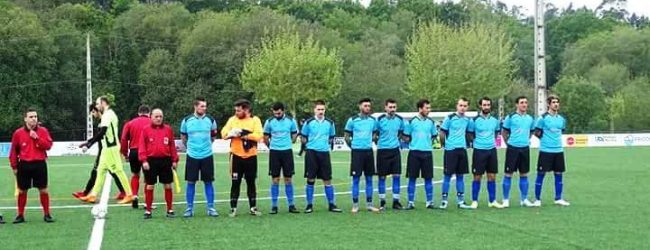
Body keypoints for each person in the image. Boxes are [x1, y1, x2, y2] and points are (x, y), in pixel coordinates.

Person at [80, 96, 134, 205]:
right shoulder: (107, 115)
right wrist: (89, 142)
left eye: (98, 103)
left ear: (103, 103)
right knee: (100, 171)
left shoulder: (108, 115)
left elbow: (102, 132)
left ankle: (129, 194)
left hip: (111, 149)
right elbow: (101, 134)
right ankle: (93, 195)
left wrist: (89, 144)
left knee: (118, 171)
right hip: (106, 149)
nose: (96, 105)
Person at [9, 108, 54, 223]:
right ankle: (20, 215)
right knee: (22, 191)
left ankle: (47, 214)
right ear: (25, 119)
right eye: (31, 117)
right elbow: (13, 151)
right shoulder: (18, 133)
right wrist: (14, 166)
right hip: (24, 165)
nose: (34, 119)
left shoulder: (43, 131)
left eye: (35, 116)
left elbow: (48, 145)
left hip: (39, 164)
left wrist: (37, 138)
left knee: (43, 190)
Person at [221, 99, 264, 217]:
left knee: (251, 182)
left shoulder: (255, 120)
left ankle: (253, 207)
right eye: (235, 110)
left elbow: (259, 135)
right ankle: (233, 208)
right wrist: (232, 133)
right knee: (235, 182)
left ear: (246, 110)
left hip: (251, 156)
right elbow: (223, 133)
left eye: (239, 110)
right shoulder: (232, 120)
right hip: (236, 156)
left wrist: (244, 134)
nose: (236, 113)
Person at [180, 97, 219, 217]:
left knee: (208, 181)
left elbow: (213, 137)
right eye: (202, 106)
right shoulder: (186, 120)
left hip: (207, 155)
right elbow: (183, 138)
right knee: (191, 182)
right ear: (195, 107)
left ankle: (211, 208)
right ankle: (189, 208)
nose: (204, 108)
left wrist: (205, 147)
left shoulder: (211, 120)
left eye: (205, 106)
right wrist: (192, 148)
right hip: (192, 156)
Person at [301, 100, 342, 213]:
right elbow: (303, 137)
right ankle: (309, 205)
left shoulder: (330, 123)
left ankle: (331, 204)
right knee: (310, 179)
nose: (320, 111)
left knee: (327, 179)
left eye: (322, 109)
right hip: (311, 153)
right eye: (318, 109)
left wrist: (324, 145)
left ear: (325, 110)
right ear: (314, 110)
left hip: (324, 153)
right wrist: (309, 146)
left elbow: (331, 137)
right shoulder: (308, 122)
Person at [138, 109, 179, 219]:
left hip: (165, 160)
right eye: (156, 116)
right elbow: (142, 146)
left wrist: (175, 160)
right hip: (151, 161)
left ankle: (170, 209)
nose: (159, 118)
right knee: (150, 186)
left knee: (168, 185)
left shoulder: (168, 129)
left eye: (160, 116)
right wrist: (144, 160)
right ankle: (148, 210)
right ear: (151, 117)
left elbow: (172, 146)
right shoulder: (145, 130)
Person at [533, 96, 571, 207]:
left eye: (557, 102)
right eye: (553, 102)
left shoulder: (561, 119)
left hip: (558, 150)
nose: (556, 104)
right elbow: (536, 132)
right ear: (548, 104)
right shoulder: (542, 118)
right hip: (545, 150)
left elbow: (561, 131)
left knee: (559, 174)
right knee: (541, 174)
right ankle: (537, 199)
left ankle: (558, 198)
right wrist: (545, 140)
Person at [263, 102, 299, 214]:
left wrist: (289, 143)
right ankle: (274, 206)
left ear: (283, 111)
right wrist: (272, 146)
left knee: (288, 179)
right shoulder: (269, 122)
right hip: (274, 152)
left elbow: (294, 135)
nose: (277, 115)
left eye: (278, 113)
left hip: (287, 152)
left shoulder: (291, 121)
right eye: (275, 113)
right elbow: (265, 137)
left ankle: (291, 205)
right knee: (275, 179)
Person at [344, 98, 380, 213]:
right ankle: (355, 205)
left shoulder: (373, 120)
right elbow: (346, 136)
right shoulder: (352, 120)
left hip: (369, 152)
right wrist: (353, 146)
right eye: (365, 106)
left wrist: (373, 139)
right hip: (357, 152)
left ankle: (369, 204)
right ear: (360, 106)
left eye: (369, 106)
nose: (367, 108)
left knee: (369, 178)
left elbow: (375, 133)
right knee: (356, 179)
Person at [467, 97, 503, 209]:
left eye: (488, 105)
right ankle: (474, 201)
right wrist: (477, 143)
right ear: (480, 106)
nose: (486, 107)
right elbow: (470, 134)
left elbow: (497, 133)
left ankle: (492, 201)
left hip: (491, 150)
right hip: (479, 151)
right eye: (484, 105)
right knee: (477, 176)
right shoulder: (474, 120)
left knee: (492, 176)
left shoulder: (495, 121)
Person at [501, 96, 536, 208]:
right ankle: (506, 200)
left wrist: (526, 140)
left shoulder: (530, 118)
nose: (524, 105)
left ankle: (524, 199)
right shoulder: (510, 117)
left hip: (525, 148)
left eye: (526, 102)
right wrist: (509, 144)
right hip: (512, 148)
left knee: (524, 173)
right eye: (522, 103)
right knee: (508, 174)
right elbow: (504, 132)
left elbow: (531, 132)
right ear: (517, 104)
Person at [402, 99, 437, 210]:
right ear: (420, 108)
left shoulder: (431, 122)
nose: (429, 110)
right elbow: (405, 137)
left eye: (429, 108)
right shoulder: (412, 122)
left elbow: (434, 135)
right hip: (414, 153)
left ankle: (429, 202)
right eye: (427, 108)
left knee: (428, 178)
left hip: (427, 153)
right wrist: (415, 142)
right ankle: (411, 202)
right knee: (412, 178)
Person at [439, 98, 472, 209]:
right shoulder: (450, 118)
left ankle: (461, 201)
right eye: (461, 105)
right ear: (457, 106)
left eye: (465, 106)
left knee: (460, 176)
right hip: (451, 150)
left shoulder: (468, 120)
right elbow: (442, 132)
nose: (462, 108)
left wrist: (467, 143)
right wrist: (445, 145)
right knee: (447, 176)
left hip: (462, 150)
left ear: (467, 107)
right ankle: (444, 201)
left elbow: (469, 134)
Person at [375, 99, 405, 210]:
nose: (392, 109)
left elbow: (401, 132)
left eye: (394, 107)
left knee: (396, 176)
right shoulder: (379, 120)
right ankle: (382, 202)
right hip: (383, 151)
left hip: (395, 151)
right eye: (390, 107)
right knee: (382, 177)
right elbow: (375, 134)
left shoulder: (400, 120)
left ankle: (396, 201)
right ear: (385, 108)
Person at [120, 105, 151, 208]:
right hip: (147, 152)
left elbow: (124, 139)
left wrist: (125, 153)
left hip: (134, 151)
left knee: (135, 174)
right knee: (148, 178)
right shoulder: (152, 122)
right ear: (149, 113)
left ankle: (134, 195)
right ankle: (148, 201)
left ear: (138, 113)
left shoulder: (130, 123)